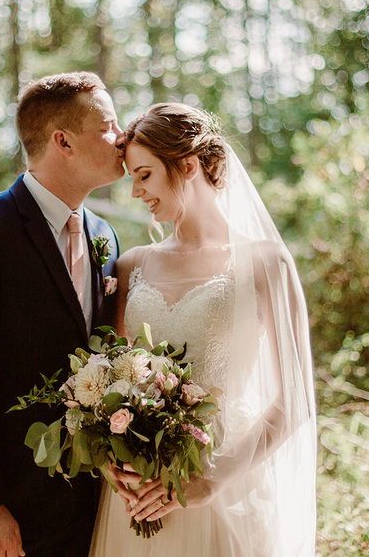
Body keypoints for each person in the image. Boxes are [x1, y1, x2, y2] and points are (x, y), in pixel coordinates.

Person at [89, 103, 317, 556]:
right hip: (140, 495)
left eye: (145, 174)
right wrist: (110, 461)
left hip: (226, 490)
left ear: (188, 165)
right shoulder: (132, 265)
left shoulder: (267, 263)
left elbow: (296, 400)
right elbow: (112, 379)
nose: (135, 191)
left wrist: (211, 480)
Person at [0, 72, 124, 557]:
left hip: (79, 502)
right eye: (109, 125)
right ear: (63, 141)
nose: (124, 137)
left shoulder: (106, 237)